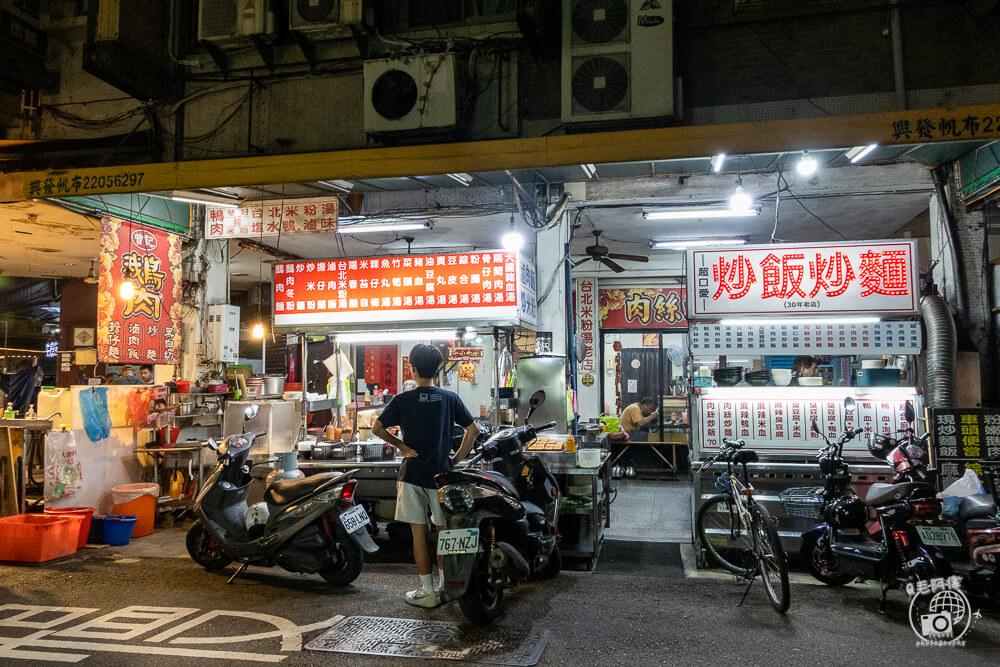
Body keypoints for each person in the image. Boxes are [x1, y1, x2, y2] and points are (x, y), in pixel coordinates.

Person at [372, 344, 479, 609]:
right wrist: (456, 459)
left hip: (412, 475)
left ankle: (428, 592)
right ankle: (446, 588)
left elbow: (377, 428)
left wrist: (401, 447)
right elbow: (473, 430)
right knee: (444, 533)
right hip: (443, 477)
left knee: (418, 535)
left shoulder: (403, 399)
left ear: (412, 368)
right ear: (439, 369)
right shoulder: (450, 398)